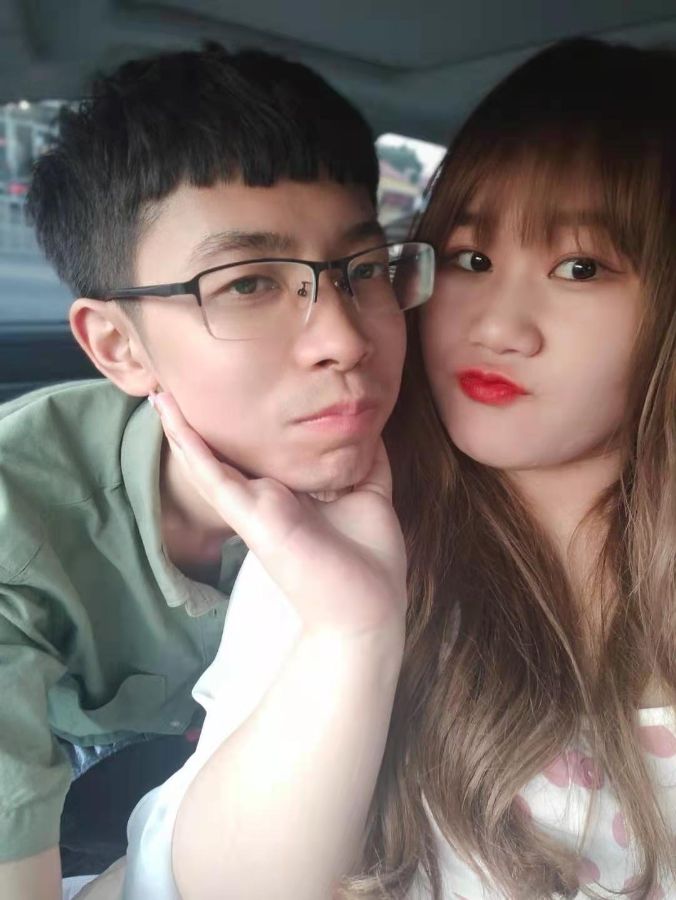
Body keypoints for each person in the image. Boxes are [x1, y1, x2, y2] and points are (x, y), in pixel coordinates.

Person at [115, 37, 675, 900]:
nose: (497, 327)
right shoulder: (341, 536)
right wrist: (353, 632)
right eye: (472, 259)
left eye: (579, 268)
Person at [0, 42, 435, 900]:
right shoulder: (19, 525)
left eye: (364, 271)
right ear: (119, 346)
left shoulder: (446, 460)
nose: (345, 340)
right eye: (246, 285)